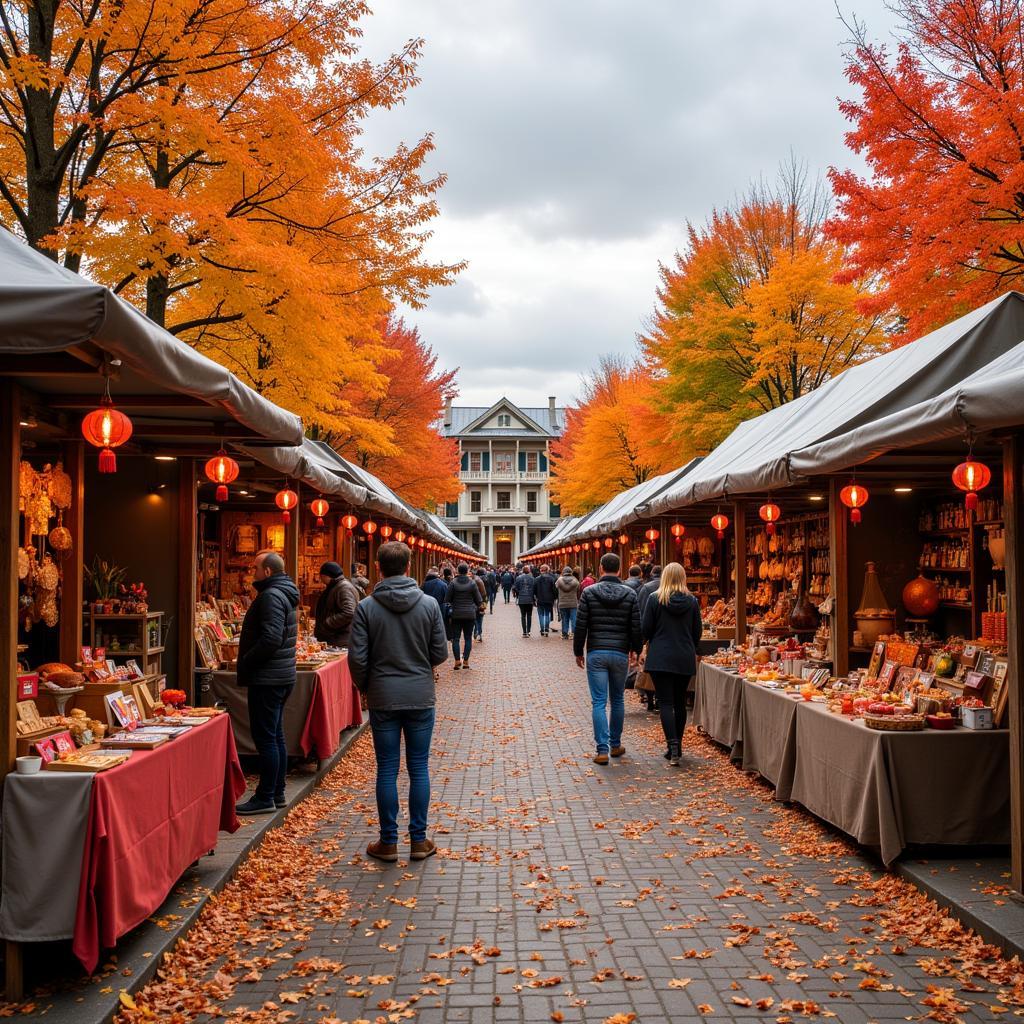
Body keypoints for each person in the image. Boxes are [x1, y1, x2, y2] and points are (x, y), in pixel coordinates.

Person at [349, 541, 448, 862]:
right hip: (420, 694)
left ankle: (388, 841)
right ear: (409, 567)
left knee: (387, 768)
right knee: (418, 767)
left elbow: (358, 658)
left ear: (378, 568)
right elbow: (439, 652)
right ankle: (418, 840)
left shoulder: (366, 607)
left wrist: (365, 686)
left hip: (383, 695)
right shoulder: (429, 605)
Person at [235, 551, 299, 814]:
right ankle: (278, 791)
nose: (253, 573)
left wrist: (248, 660)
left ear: (268, 572)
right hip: (280, 674)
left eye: (256, 569)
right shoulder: (284, 593)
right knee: (275, 735)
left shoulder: (271, 596)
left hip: (268, 676)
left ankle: (265, 796)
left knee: (266, 738)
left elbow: (271, 638)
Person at [573, 552, 643, 765]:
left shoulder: (589, 593)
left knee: (599, 702)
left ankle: (602, 749)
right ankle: (615, 744)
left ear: (601, 568)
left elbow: (581, 624)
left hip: (596, 652)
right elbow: (636, 625)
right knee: (618, 699)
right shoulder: (630, 594)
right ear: (620, 570)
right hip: (620, 652)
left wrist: (578, 651)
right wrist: (636, 649)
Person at [641, 562, 703, 767]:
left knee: (665, 702)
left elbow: (646, 629)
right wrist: (690, 646)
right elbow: (697, 632)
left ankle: (672, 746)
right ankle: (679, 745)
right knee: (679, 702)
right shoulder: (692, 601)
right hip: (683, 656)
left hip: (661, 657)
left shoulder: (654, 599)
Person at [313, 561, 359, 648]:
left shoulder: (343, 587)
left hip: (339, 639)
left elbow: (349, 612)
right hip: (336, 638)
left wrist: (328, 623)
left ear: (326, 576)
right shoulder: (336, 586)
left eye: (321, 576)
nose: (321, 579)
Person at [447, 563, 484, 669]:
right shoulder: (472, 583)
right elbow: (479, 600)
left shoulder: (453, 583)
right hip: (469, 614)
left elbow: (447, 599)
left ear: (458, 571)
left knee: (456, 638)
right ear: (467, 571)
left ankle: (457, 661)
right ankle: (466, 661)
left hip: (456, 614)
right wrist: (475, 608)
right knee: (468, 638)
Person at [555, 565, 580, 639]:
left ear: (563, 572)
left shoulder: (559, 580)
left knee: (564, 619)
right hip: (573, 603)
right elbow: (578, 589)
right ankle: (573, 633)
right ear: (571, 572)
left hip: (562, 603)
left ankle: (565, 634)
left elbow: (556, 587)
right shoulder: (575, 580)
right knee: (573, 619)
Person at [512, 565, 537, 637]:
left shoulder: (518, 578)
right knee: (529, 615)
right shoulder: (532, 578)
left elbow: (515, 587)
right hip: (529, 599)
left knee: (523, 616)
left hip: (522, 599)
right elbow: (534, 589)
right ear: (529, 571)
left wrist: (518, 593)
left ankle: (524, 632)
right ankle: (528, 631)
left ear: (523, 571)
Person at [534, 563, 558, 637]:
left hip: (540, 599)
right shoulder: (552, 579)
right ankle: (546, 629)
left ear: (541, 570)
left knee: (541, 615)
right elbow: (554, 590)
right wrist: (555, 597)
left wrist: (536, 597)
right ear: (547, 570)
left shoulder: (537, 579)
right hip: (549, 599)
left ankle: (542, 630)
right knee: (547, 614)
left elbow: (534, 589)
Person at [472, 568, 488, 642]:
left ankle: (477, 632)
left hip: (476, 602)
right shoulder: (484, 578)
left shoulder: (475, 580)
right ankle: (479, 634)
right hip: (482, 601)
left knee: (476, 619)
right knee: (480, 618)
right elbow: (484, 593)